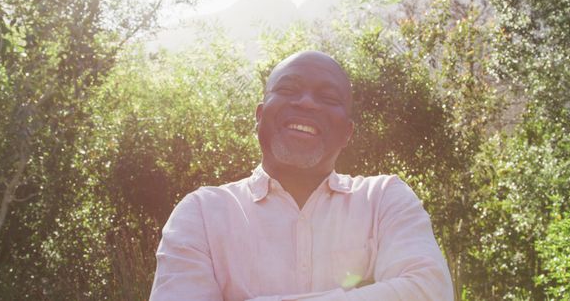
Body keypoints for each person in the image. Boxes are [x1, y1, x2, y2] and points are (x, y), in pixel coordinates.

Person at [150, 51, 454, 300]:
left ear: (347, 132)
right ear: (259, 116)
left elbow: (429, 292)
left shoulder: (384, 199)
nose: (306, 102)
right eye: (288, 90)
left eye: (328, 98)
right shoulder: (201, 213)